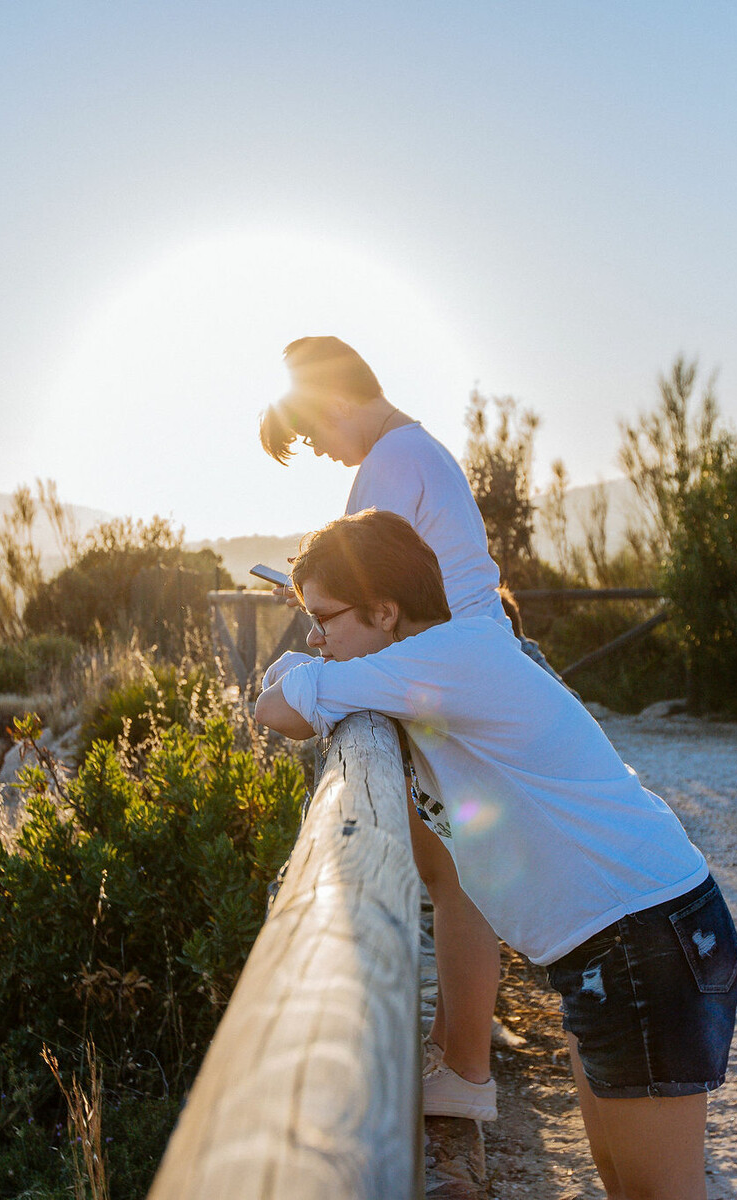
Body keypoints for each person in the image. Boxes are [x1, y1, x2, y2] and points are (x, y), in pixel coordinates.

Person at [255, 510, 737, 1200]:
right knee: (630, 1187)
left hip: (644, 938)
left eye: (324, 617)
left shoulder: (444, 664)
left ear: (385, 610)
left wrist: (308, 671)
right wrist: (321, 658)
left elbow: (274, 710)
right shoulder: (450, 653)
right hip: (617, 942)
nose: (313, 635)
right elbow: (291, 691)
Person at [260, 335, 511, 1120]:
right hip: (451, 671)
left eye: (314, 438)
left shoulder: (393, 460)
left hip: (449, 679)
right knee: (454, 871)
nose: (325, 455)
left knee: (457, 877)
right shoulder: (410, 453)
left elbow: (376, 583)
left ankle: (465, 1067)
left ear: (335, 403)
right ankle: (458, 1057)